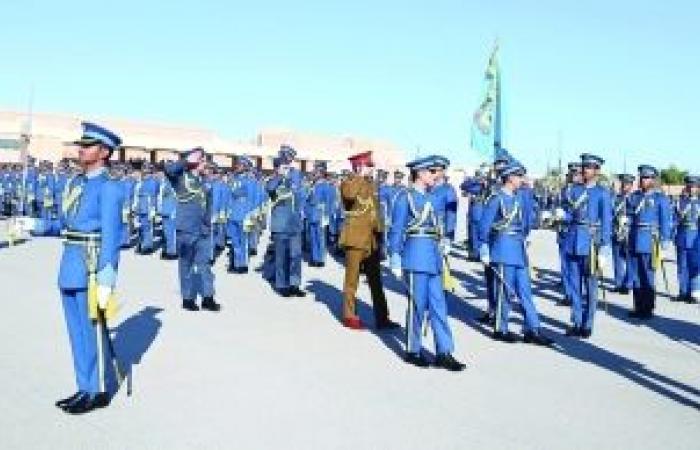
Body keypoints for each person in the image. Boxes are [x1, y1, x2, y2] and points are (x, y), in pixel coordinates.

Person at [55, 122, 125, 414]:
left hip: (92, 267)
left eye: (87, 146)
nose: (81, 150)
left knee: (92, 332)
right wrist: (36, 226)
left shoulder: (109, 188)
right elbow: (66, 224)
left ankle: (96, 392)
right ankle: (83, 386)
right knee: (77, 332)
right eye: (80, 145)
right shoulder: (76, 183)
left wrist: (108, 273)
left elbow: (112, 234)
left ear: (104, 152)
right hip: (69, 265)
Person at [389, 155, 465, 370]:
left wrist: (445, 241)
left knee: (439, 306)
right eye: (432, 172)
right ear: (420, 174)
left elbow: (448, 207)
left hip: (433, 257)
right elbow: (396, 229)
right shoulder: (405, 198)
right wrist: (395, 255)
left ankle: (444, 351)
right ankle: (413, 349)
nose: (436, 176)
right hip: (415, 257)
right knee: (417, 306)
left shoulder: (434, 197)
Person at [479, 160, 553, 345]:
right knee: (505, 292)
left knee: (525, 291)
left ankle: (532, 329)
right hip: (503, 250)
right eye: (519, 176)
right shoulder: (496, 199)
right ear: (510, 178)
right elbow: (484, 226)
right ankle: (500, 328)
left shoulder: (519, 198)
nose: (522, 179)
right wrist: (484, 248)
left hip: (518, 250)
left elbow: (525, 222)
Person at [339, 151, 399, 330]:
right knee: (352, 280)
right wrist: (359, 176)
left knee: (376, 281)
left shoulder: (371, 185)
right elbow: (349, 196)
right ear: (358, 167)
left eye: (371, 166)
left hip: (371, 240)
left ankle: (382, 318)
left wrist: (381, 235)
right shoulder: (349, 182)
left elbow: (375, 212)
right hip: (355, 238)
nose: (371, 170)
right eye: (368, 166)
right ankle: (349, 315)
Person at [555, 153, 612, 338]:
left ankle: (588, 324)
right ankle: (577, 321)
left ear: (597, 170)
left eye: (588, 167)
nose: (584, 170)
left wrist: (604, 248)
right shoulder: (574, 190)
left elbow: (606, 221)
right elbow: (571, 212)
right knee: (573, 286)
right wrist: (562, 215)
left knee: (590, 286)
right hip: (572, 240)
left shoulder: (602, 193)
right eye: (584, 167)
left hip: (591, 244)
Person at [164, 148, 221, 312]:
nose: (205, 164)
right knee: (186, 264)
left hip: (202, 230)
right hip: (186, 229)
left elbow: (208, 205)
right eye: (202, 160)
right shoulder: (181, 177)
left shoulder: (205, 181)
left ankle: (208, 298)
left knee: (205, 265)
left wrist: (208, 224)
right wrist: (187, 160)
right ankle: (188, 298)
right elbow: (169, 170)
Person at [627, 165, 673, 318]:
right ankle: (638, 306)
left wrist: (665, 239)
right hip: (634, 239)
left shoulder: (660, 199)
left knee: (648, 275)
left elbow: (666, 221)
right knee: (635, 275)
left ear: (653, 180)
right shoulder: (634, 197)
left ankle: (648, 308)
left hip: (649, 241)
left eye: (646, 177)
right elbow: (629, 215)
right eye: (641, 177)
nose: (642, 180)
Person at [266, 148, 306, 297]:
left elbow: (301, 193)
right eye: (285, 157)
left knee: (295, 255)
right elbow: (269, 190)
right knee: (281, 255)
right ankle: (282, 284)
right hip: (281, 223)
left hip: (294, 222)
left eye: (290, 158)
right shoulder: (273, 178)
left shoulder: (296, 174)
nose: (288, 160)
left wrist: (302, 212)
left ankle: (294, 284)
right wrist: (279, 176)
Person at [612, 174, 635, 294]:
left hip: (629, 233)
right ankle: (618, 283)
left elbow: (638, 216)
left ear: (631, 186)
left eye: (626, 184)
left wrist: (629, 220)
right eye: (622, 184)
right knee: (617, 259)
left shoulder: (635, 199)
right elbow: (611, 214)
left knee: (630, 259)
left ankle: (628, 283)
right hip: (617, 232)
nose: (624, 186)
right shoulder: (616, 198)